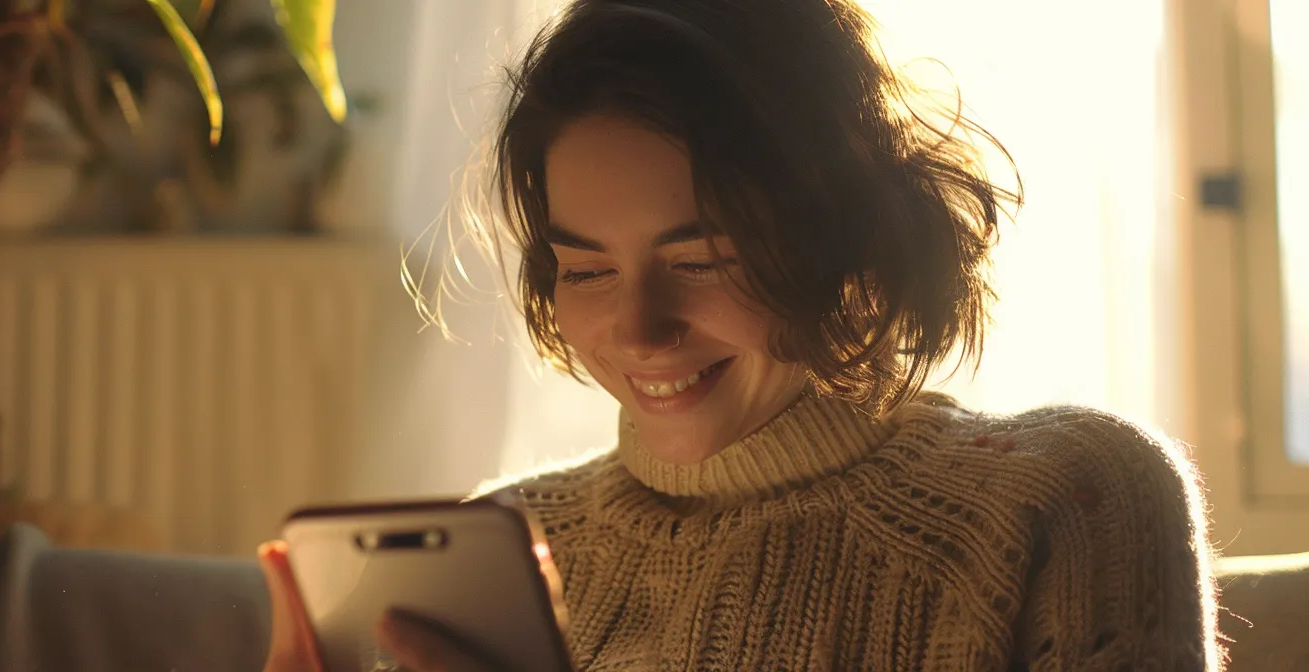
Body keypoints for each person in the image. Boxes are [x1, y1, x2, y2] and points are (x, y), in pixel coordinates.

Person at [258, 0, 1223, 669]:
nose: (638, 329)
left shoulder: (1069, 495)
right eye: (586, 270)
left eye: (701, 259)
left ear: (847, 231)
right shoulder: (511, 546)